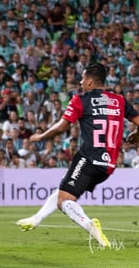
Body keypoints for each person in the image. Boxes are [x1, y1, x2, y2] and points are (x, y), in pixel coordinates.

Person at [16, 63, 139, 247]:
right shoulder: (120, 100)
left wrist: (40, 136)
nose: (80, 82)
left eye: (82, 79)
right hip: (108, 166)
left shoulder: (81, 99)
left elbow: (63, 126)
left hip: (88, 157)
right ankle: (36, 218)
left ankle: (90, 225)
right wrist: (137, 134)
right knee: (65, 190)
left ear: (89, 82)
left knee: (64, 201)